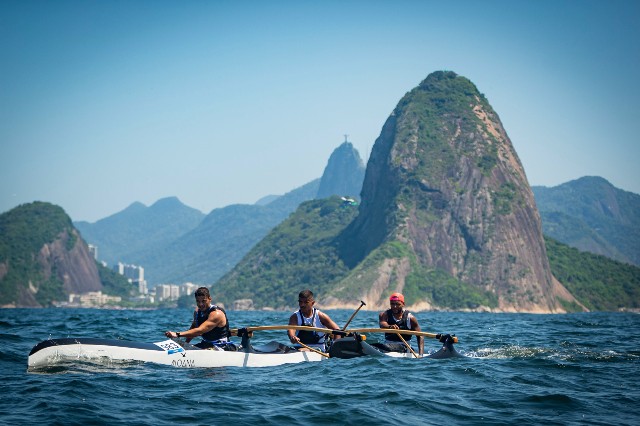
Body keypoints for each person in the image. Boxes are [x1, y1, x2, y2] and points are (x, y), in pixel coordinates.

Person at [165, 287, 236, 351]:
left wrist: (177, 334)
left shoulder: (216, 314)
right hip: (206, 344)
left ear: (210, 299)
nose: (200, 304)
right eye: (198, 301)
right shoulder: (197, 313)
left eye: (203, 301)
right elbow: (193, 329)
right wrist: (185, 345)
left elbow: (200, 330)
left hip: (222, 347)